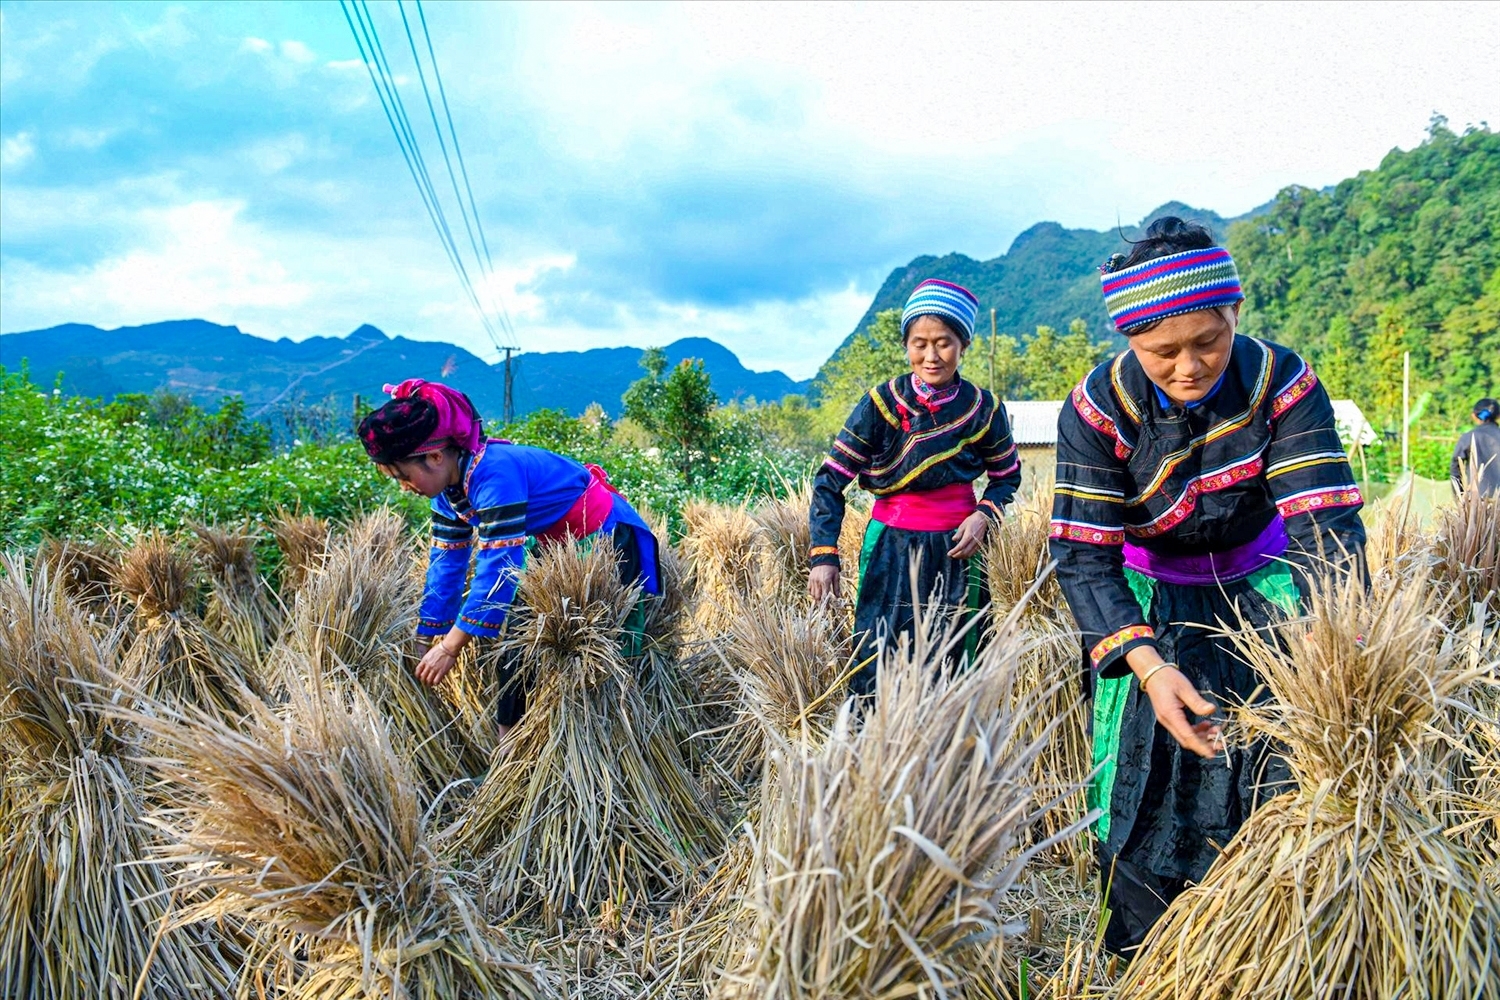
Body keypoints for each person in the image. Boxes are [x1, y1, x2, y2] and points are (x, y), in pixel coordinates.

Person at [1049, 217, 1366, 956]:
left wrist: (1333, 643)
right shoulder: (1096, 409)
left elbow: (1326, 526)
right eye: (1163, 352)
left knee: (1277, 768)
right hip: (1149, 606)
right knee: (1146, 788)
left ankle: (1276, 948)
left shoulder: (1281, 382)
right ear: (1131, 341)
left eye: (1208, 342)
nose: (1188, 366)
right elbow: (1084, 556)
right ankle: (1155, 959)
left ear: (1235, 314)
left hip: (1265, 593)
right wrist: (1152, 669)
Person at [356, 378, 660, 737]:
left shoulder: (494, 474)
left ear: (435, 457)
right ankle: (509, 750)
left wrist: (451, 648)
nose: (405, 487)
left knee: (603, 656)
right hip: (555, 546)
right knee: (517, 642)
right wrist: (425, 638)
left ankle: (613, 736)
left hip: (603, 540)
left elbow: (499, 566)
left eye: (404, 476)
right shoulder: (447, 491)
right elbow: (446, 564)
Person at [808, 279, 1022, 693]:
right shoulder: (880, 403)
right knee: (878, 659)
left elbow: (1006, 477)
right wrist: (824, 555)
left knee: (957, 661)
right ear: (906, 345)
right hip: (890, 547)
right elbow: (830, 480)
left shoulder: (985, 409)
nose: (930, 356)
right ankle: (876, 753)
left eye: (943, 343)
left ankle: (957, 754)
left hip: (958, 549)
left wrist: (984, 515)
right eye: (918, 343)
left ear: (964, 345)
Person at [1450, 397, 1500, 496]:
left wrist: (1460, 495)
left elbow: (1455, 467)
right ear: (1498, 416)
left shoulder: (1468, 437)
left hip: (1477, 499)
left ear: (1474, 415)